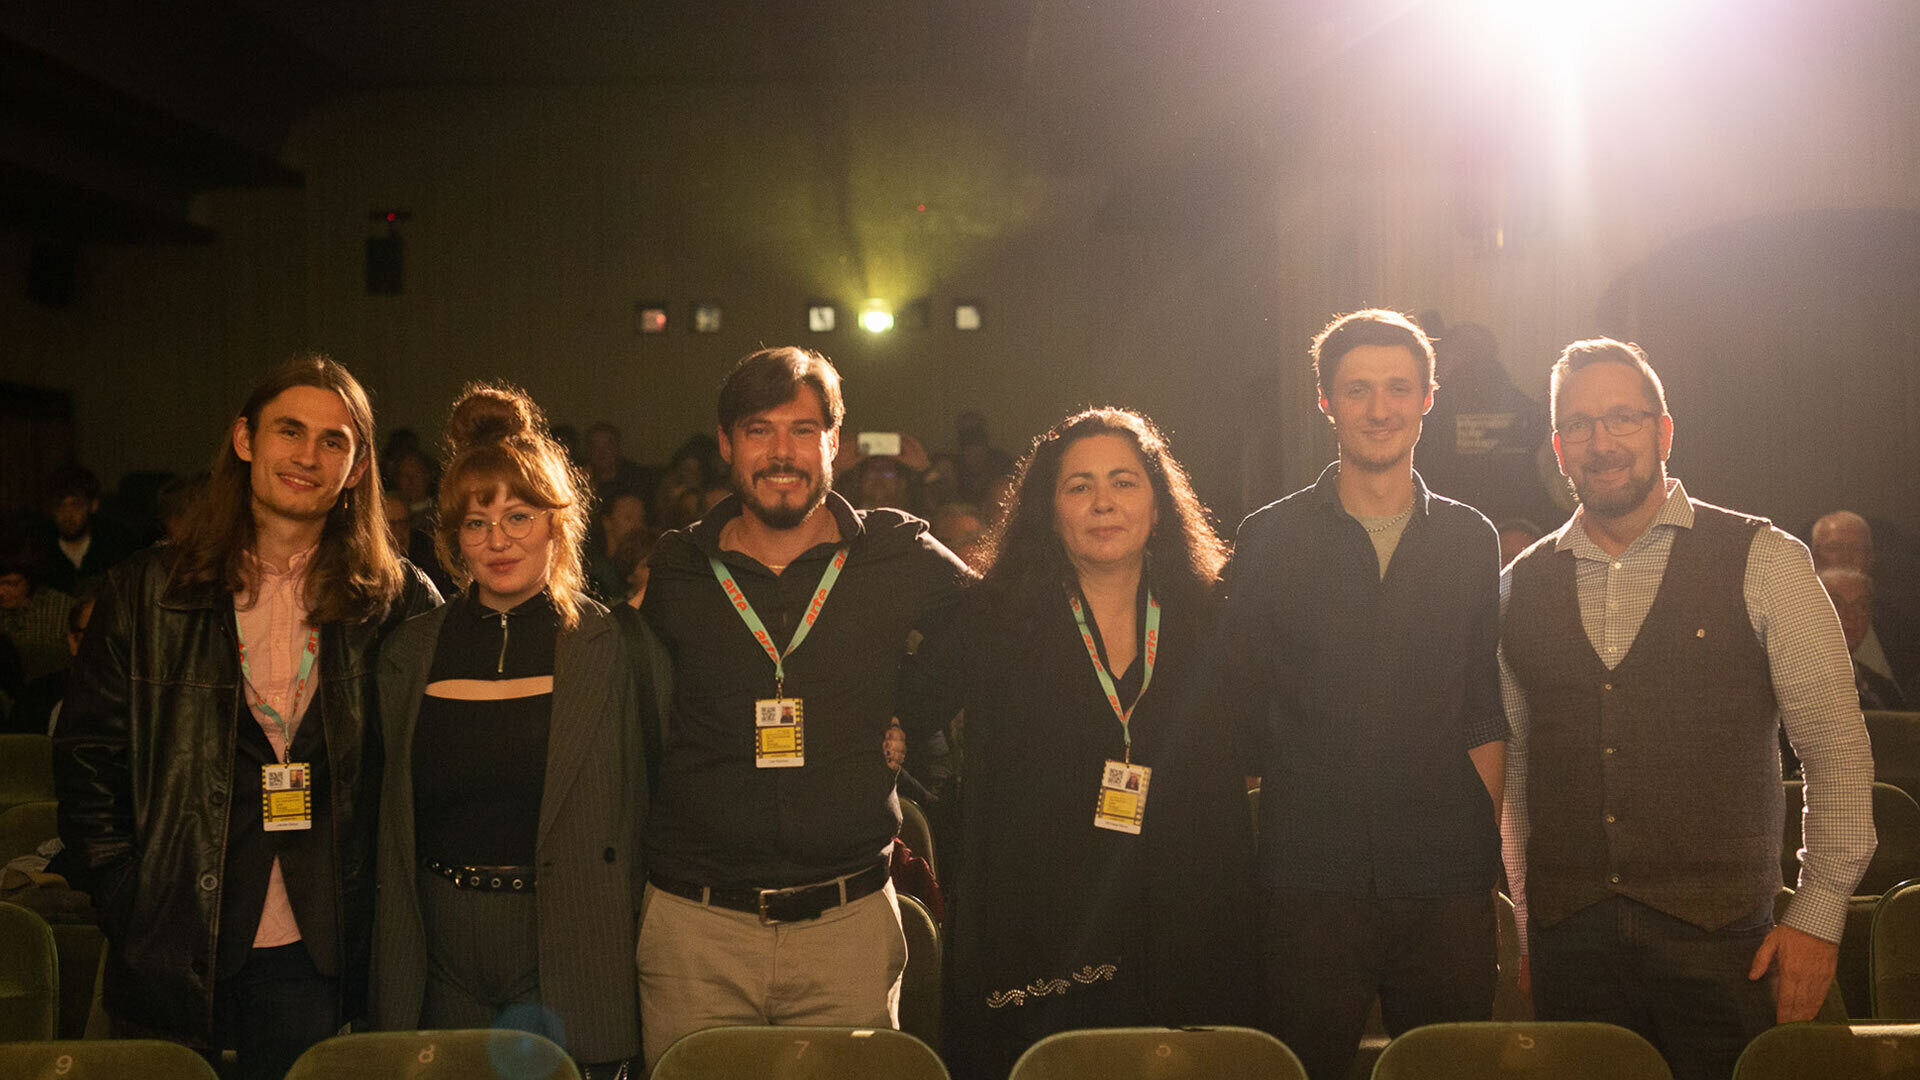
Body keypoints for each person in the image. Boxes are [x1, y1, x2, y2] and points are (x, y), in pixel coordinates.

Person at [54, 355, 440, 1079]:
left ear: (357, 469)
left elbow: (437, 765)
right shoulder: (146, 590)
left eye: (335, 441)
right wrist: (129, 898)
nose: (307, 456)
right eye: (289, 432)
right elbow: (85, 763)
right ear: (244, 441)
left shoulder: (397, 600)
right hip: (170, 932)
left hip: (322, 941)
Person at [1500, 338, 1874, 1080]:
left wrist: (1818, 914)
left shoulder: (1767, 560)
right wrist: (1525, 928)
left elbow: (1835, 749)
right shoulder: (1517, 586)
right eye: (1579, 424)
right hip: (1569, 948)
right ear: (1558, 447)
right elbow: (1516, 778)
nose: (1601, 441)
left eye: (1622, 418)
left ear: (1664, 431)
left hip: (1726, 950)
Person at [635, 346, 971, 1067]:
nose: (781, 452)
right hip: (697, 933)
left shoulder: (896, 553)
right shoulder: (678, 570)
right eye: (759, 430)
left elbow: (987, 623)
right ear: (726, 444)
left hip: (845, 927)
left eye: (802, 429)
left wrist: (907, 710)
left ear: (834, 445)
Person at [904, 408, 1255, 1079]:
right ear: (1049, 511)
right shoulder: (998, 619)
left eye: (1123, 482)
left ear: (1158, 508)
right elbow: (907, 711)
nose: (1102, 502)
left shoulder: (1213, 619)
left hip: (1188, 913)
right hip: (1043, 921)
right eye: (1079, 486)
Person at [1224, 309, 1507, 1080]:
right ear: (1326, 401)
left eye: (1397, 388)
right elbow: (1239, 707)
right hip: (1306, 878)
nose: (1379, 408)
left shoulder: (1470, 538)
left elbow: (1483, 701)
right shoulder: (1268, 539)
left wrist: (1481, 850)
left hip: (1445, 878)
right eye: (1357, 390)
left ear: (1428, 397)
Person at [371, 385, 645, 1077]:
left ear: (558, 525)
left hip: (561, 942)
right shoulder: (410, 650)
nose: (498, 541)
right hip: (437, 946)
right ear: (452, 537)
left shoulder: (609, 645)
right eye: (475, 522)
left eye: (519, 517)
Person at [1810, 510, 1920, 699]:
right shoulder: (1786, 620)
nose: (1846, 558)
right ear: (1813, 555)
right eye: (1835, 547)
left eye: (1856, 548)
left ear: (1870, 558)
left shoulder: (1901, 630)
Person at [38, 466, 139, 596]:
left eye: (76, 505)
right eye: (60, 505)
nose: (67, 514)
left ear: (93, 505)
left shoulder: (115, 545)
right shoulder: (41, 550)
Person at [1818, 568, 1906, 710]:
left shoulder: (1884, 689)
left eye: (1861, 605)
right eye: (1836, 604)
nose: (1851, 615)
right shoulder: (1792, 680)